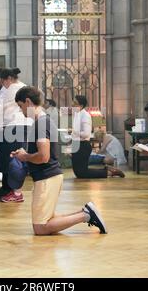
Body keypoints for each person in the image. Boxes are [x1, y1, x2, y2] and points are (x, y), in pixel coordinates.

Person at [11, 86, 107, 235]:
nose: (20, 110)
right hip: (48, 177)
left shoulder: (41, 123)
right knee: (48, 219)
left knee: (41, 227)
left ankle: (86, 215)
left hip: (47, 177)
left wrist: (25, 156)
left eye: (20, 105)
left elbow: (44, 156)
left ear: (28, 102)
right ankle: (86, 211)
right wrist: (25, 154)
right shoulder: (42, 121)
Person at [0, 68, 31, 202]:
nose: (3, 85)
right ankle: (7, 187)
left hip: (14, 126)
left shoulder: (15, 87)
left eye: (4, 82)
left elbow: (0, 108)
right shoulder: (19, 87)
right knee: (8, 158)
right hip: (15, 126)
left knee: (11, 159)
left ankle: (14, 191)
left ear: (9, 79)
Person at [71, 95, 124, 179]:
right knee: (78, 172)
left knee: (82, 173)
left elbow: (86, 133)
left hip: (82, 145)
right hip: (76, 145)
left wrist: (73, 131)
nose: (72, 104)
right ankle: (108, 170)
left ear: (81, 106)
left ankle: (109, 172)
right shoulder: (77, 114)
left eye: (74, 103)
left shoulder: (85, 115)